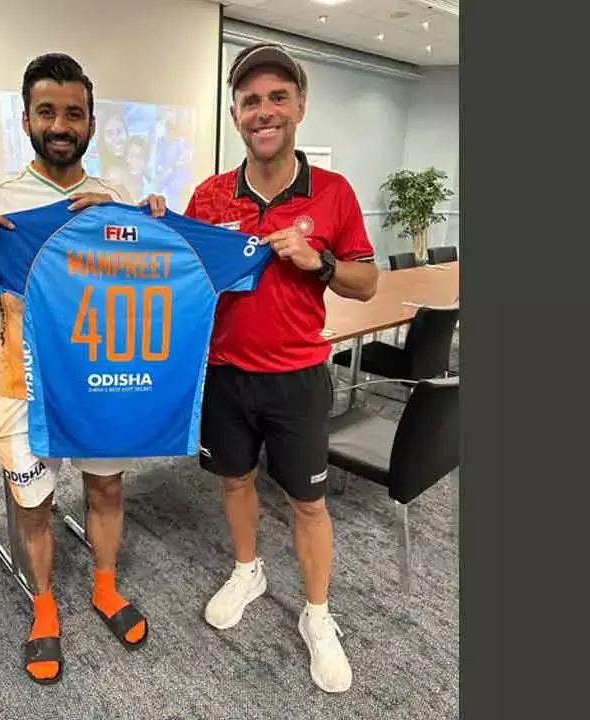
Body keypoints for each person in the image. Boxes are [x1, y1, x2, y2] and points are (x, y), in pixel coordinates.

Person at [0, 53, 166, 685]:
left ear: (90, 123)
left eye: (73, 113)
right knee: (31, 503)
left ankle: (106, 587)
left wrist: (141, 222)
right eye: (47, 111)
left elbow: (148, 279)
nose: (61, 125)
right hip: (25, 384)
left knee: (107, 489)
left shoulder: (116, 197)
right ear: (26, 119)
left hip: (100, 380)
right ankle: (43, 606)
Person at [183, 42, 379, 694]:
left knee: (308, 502)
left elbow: (367, 283)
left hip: (298, 377)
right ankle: (249, 570)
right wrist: (153, 224)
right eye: (250, 101)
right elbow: (181, 272)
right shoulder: (210, 195)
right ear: (235, 115)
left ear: (299, 106)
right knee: (234, 481)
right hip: (225, 374)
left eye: (277, 97)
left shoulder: (333, 193)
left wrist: (317, 261)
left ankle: (317, 615)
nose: (263, 111)